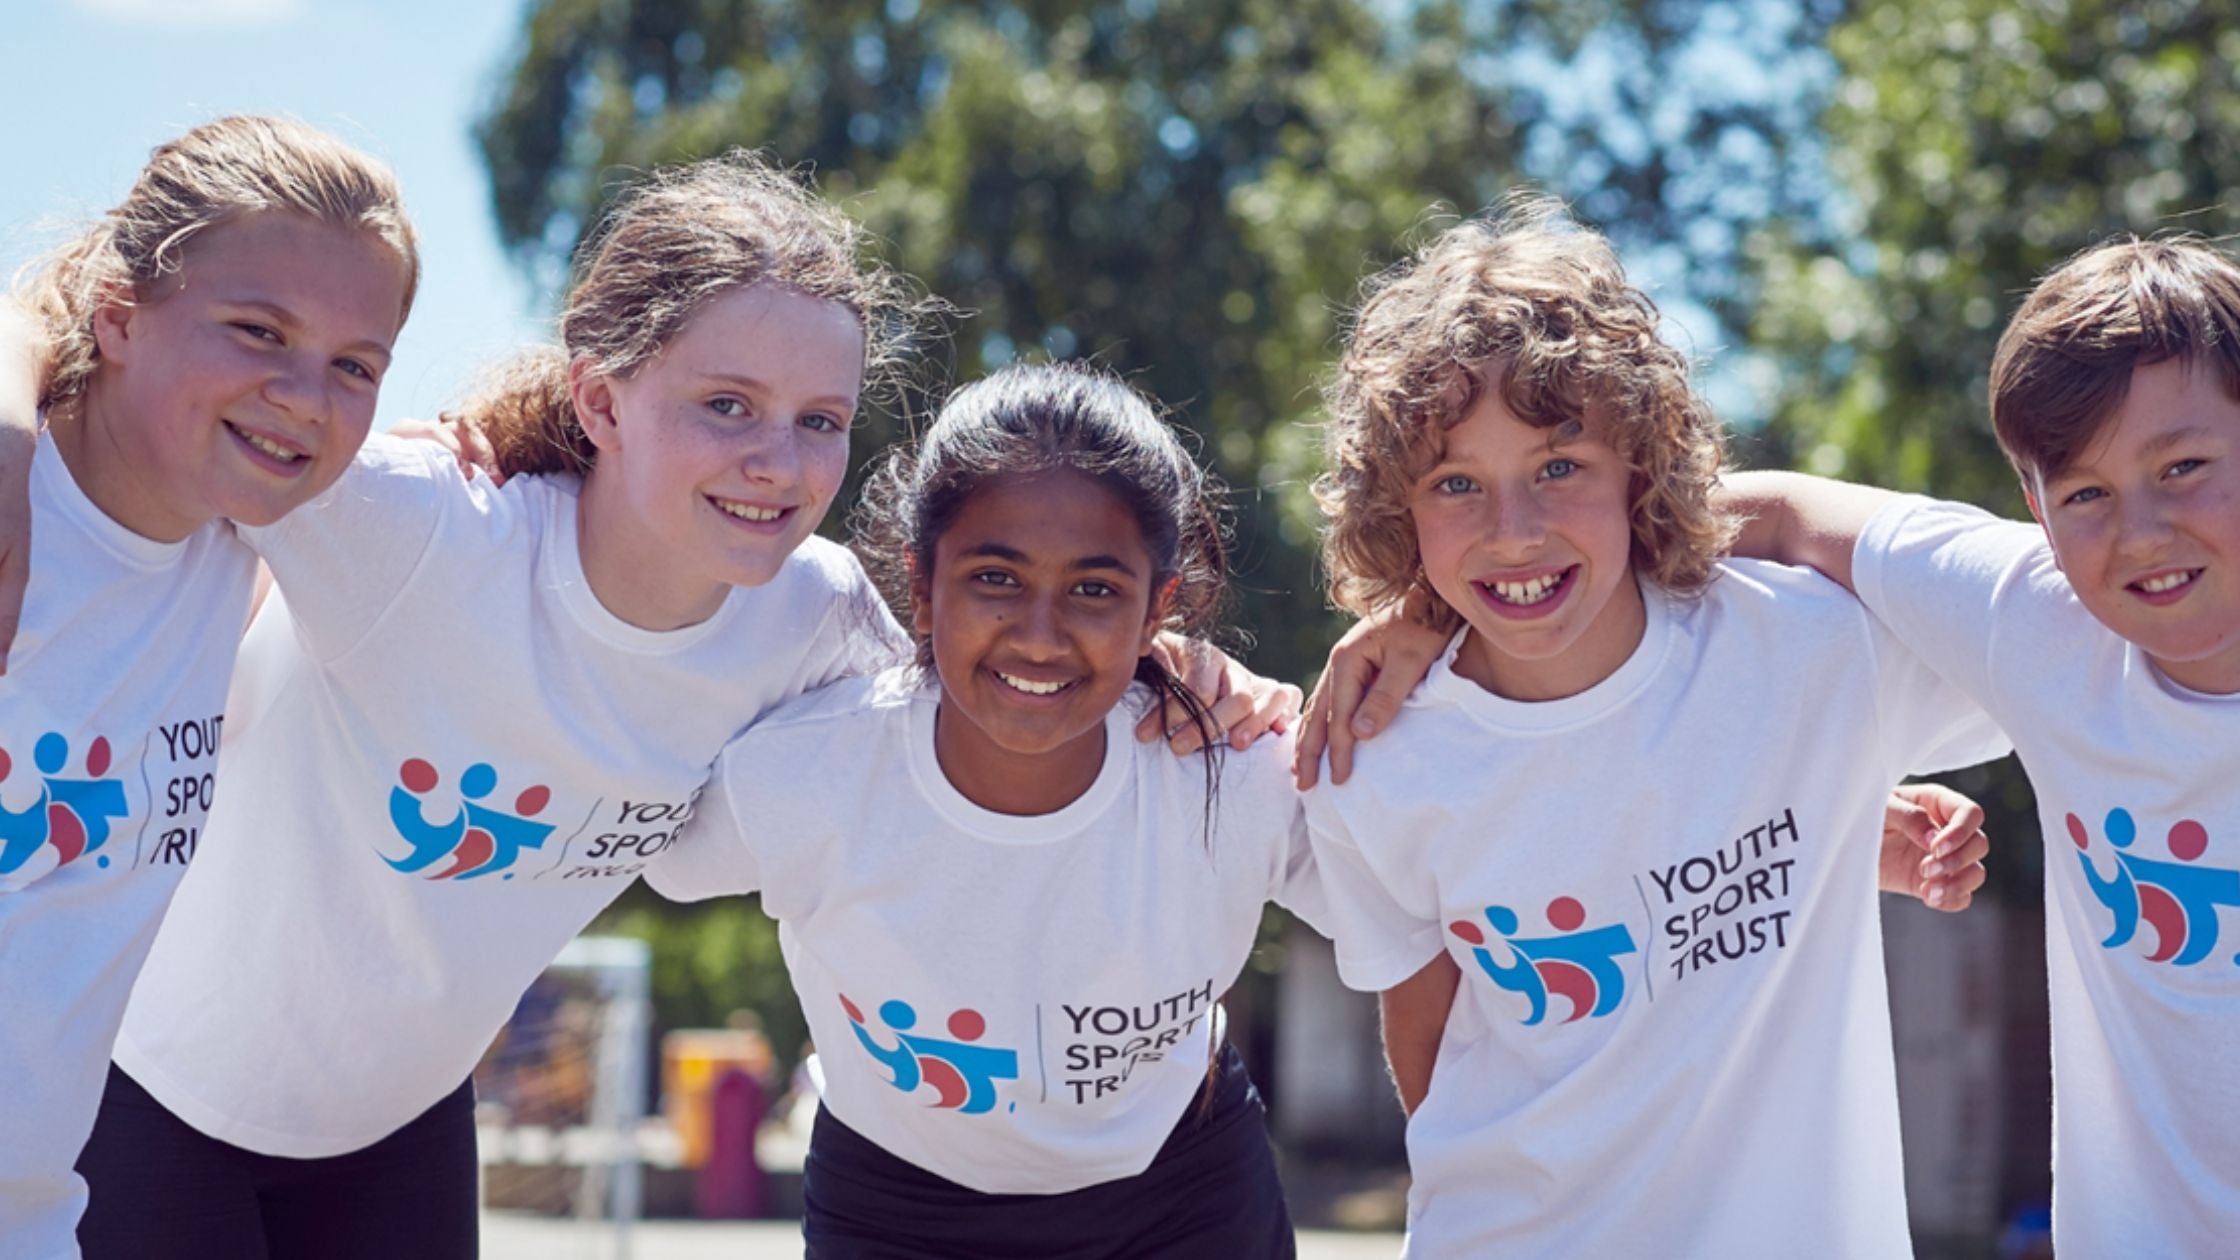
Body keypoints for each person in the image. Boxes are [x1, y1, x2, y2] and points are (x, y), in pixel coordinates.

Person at [61, 153, 925, 1260]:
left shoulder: (815, 620)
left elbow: (979, 752)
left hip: (400, 1130)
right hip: (147, 1098)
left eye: (821, 420)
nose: (777, 462)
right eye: (726, 405)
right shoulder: (417, 531)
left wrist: (1174, 681)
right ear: (599, 398)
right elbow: (113, 396)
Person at [1295, 196, 2009, 1257]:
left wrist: (1828, 834)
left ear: (1639, 459)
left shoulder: (1810, 648)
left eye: (1557, 467)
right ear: (1396, 510)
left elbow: (2047, 604)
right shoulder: (1372, 754)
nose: (1514, 532)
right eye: (1455, 483)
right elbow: (1431, 1048)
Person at [648, 362, 1326, 1259]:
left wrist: (1410, 638)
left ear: (1158, 606)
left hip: (1181, 1196)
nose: (1040, 635)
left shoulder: (1235, 773)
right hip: (895, 1206)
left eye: (1095, 590)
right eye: (996, 578)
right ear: (922, 587)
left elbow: (1440, 886)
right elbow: (629, 829)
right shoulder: (802, 778)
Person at [1717, 235, 2240, 1256]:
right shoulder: (2036, 622)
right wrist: (1431, 606)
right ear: (2033, 511)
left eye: (2181, 467)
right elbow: (1776, 511)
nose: (2138, 532)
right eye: (2083, 494)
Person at [0, 115, 418, 1259]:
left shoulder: (254, 545)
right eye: (256, 331)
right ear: (120, 315)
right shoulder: (17, 522)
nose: (304, 395)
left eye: (354, 366)